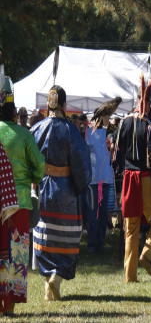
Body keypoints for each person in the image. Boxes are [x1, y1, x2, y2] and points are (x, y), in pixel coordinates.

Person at [30, 85, 91, 300]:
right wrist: (82, 185)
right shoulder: (71, 130)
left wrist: (33, 183)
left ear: (49, 104)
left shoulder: (36, 129)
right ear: (64, 105)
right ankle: (56, 278)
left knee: (45, 237)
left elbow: (29, 160)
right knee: (65, 238)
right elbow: (82, 167)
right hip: (66, 191)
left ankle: (50, 282)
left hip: (44, 189)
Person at [114, 76, 151, 282]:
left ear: (137, 100)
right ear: (148, 101)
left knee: (131, 228)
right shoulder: (149, 126)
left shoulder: (124, 123)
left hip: (128, 179)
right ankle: (146, 253)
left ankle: (130, 276)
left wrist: (121, 175)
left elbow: (117, 156)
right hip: (144, 179)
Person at [0, 71, 45, 314]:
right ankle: (10, 305)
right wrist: (33, 178)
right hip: (19, 202)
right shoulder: (24, 135)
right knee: (16, 251)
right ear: (14, 110)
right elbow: (38, 165)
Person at [83, 111, 114, 254]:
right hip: (93, 180)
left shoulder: (110, 132)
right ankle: (91, 243)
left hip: (105, 179)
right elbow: (85, 153)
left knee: (102, 214)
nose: (103, 119)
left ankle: (100, 243)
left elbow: (113, 150)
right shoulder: (89, 132)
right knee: (92, 214)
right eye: (102, 117)